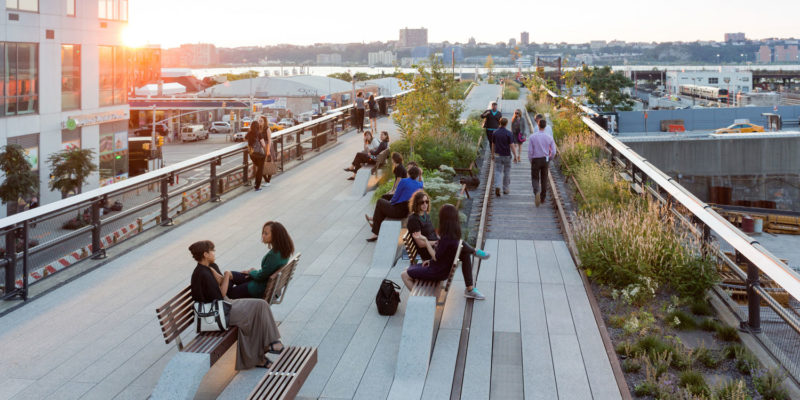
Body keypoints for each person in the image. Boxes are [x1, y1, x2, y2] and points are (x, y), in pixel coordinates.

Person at [189, 240, 283, 370]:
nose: (214, 253)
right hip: (218, 312)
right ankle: (261, 355)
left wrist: (225, 276)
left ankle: (271, 343)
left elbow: (223, 285)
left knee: (261, 305)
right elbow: (220, 295)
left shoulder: (211, 267)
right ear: (205, 254)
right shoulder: (201, 274)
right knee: (253, 314)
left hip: (225, 304)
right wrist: (227, 275)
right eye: (212, 251)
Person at [400, 204, 489, 300]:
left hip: (437, 272)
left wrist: (425, 240)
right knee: (407, 269)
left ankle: (423, 300)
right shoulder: (453, 234)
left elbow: (436, 257)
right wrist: (430, 261)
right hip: (439, 268)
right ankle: (475, 254)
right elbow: (444, 255)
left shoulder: (446, 238)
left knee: (404, 275)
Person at [226, 221, 295, 300]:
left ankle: (221, 300)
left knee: (229, 292)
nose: (263, 236)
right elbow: (267, 272)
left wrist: (252, 272)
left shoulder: (274, 255)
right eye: (263, 233)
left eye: (266, 234)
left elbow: (260, 276)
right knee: (230, 275)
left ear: (275, 236)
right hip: (264, 284)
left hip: (258, 288)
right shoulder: (284, 251)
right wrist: (254, 272)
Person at [365, 165, 422, 242]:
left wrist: (391, 203)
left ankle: (375, 233)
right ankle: (376, 221)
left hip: (398, 211)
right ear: (417, 175)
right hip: (406, 211)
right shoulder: (419, 185)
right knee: (385, 197)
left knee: (380, 202)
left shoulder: (404, 181)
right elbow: (421, 182)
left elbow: (396, 196)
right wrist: (420, 175)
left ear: (408, 173)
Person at [528, 119, 558, 207]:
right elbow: (554, 152)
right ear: (545, 126)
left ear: (538, 125)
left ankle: (536, 191)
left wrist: (531, 160)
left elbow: (530, 151)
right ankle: (543, 197)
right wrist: (550, 158)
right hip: (545, 159)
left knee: (535, 177)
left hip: (535, 159)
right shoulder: (549, 137)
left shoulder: (532, 137)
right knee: (544, 178)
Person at [492, 117, 514, 197]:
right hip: (507, 155)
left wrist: (492, 154)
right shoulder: (509, 133)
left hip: (497, 154)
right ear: (506, 123)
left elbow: (493, 144)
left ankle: (497, 186)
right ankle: (505, 189)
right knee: (507, 172)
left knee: (498, 171)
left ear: (499, 122)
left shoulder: (495, 132)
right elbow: (511, 145)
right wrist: (515, 155)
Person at [246, 120, 270, 192]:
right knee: (260, 170)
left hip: (252, 154)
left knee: (259, 168)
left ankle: (266, 180)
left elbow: (245, 139)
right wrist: (266, 151)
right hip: (260, 155)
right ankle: (257, 186)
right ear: (258, 127)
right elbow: (263, 144)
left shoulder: (249, 134)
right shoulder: (259, 134)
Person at [259, 116, 274, 187]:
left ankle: (268, 181)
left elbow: (269, 140)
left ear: (264, 121)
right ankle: (266, 181)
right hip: (261, 148)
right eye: (259, 121)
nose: (260, 122)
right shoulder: (259, 128)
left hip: (268, 147)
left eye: (261, 121)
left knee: (269, 164)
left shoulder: (267, 129)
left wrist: (268, 150)